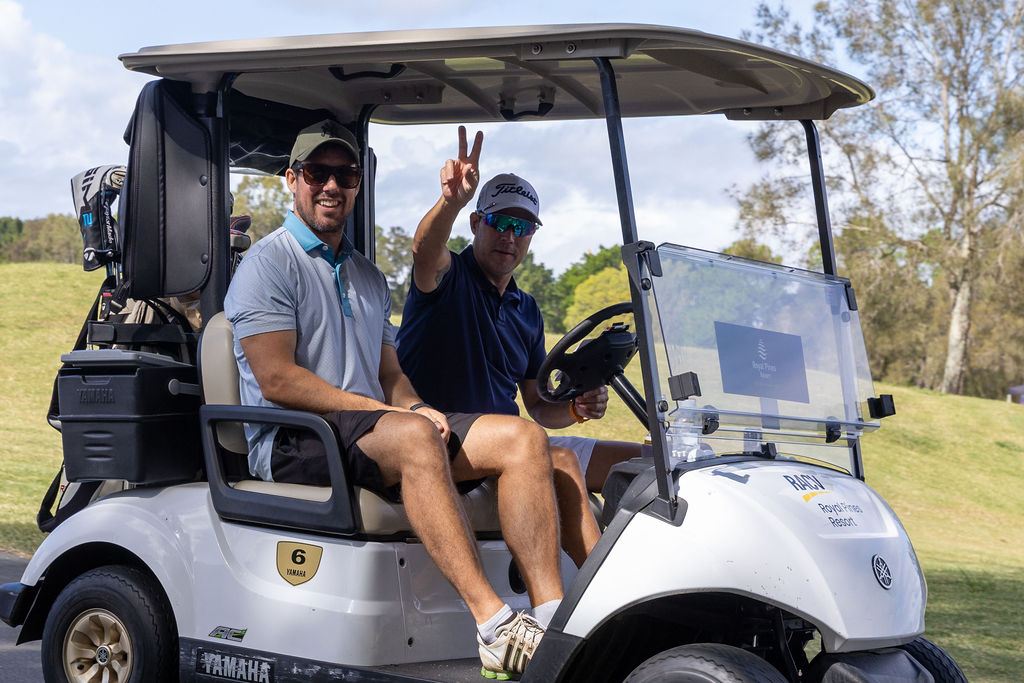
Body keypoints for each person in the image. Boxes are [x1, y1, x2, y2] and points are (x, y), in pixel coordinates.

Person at [224, 120, 563, 679]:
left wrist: (412, 405)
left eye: (346, 175)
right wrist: (392, 416)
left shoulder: (366, 276)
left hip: (369, 431)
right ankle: (495, 626)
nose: (332, 186)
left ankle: (551, 624)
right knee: (414, 437)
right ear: (292, 179)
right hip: (296, 436)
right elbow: (278, 381)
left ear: (357, 185)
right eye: (318, 173)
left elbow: (390, 375)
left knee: (525, 438)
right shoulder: (269, 264)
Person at [397, 127, 642, 568]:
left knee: (643, 461)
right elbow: (424, 250)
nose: (510, 236)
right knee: (558, 460)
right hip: (443, 437)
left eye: (523, 227)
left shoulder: (527, 309)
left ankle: (648, 577)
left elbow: (539, 405)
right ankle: (599, 590)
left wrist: (576, 408)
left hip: (513, 439)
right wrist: (451, 202)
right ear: (476, 224)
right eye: (500, 223)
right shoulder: (448, 277)